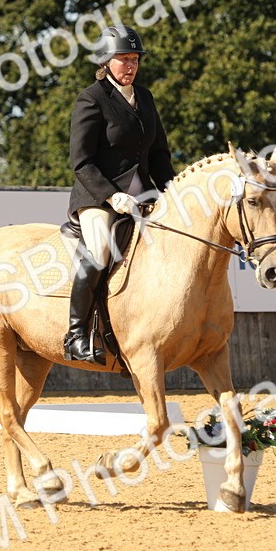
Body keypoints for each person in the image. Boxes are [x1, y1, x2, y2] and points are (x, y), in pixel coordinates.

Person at [64, 25, 176, 364]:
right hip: (98, 198)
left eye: (134, 59)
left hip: (143, 196)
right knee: (100, 250)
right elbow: (81, 162)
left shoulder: (145, 97)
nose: (130, 66)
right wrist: (113, 197)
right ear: (106, 63)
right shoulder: (91, 99)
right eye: (122, 59)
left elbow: (159, 155)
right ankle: (76, 334)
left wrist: (174, 193)